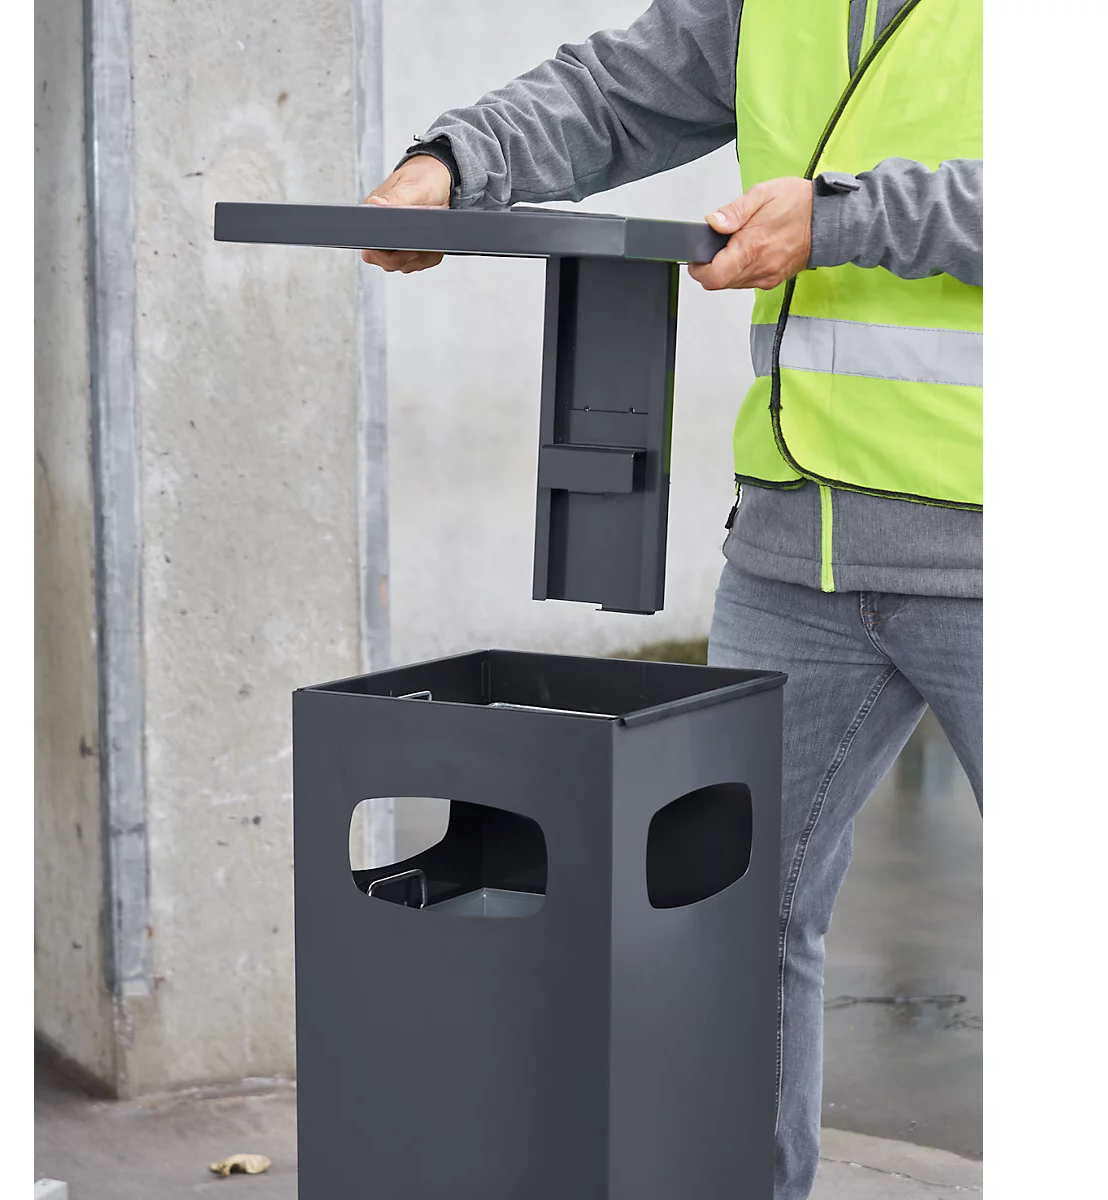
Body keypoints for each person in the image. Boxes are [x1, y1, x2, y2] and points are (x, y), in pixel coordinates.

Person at [361, 2, 982, 1196]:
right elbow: (614, 92)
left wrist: (850, 219)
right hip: (797, 548)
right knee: (723, 919)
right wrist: (453, 165)